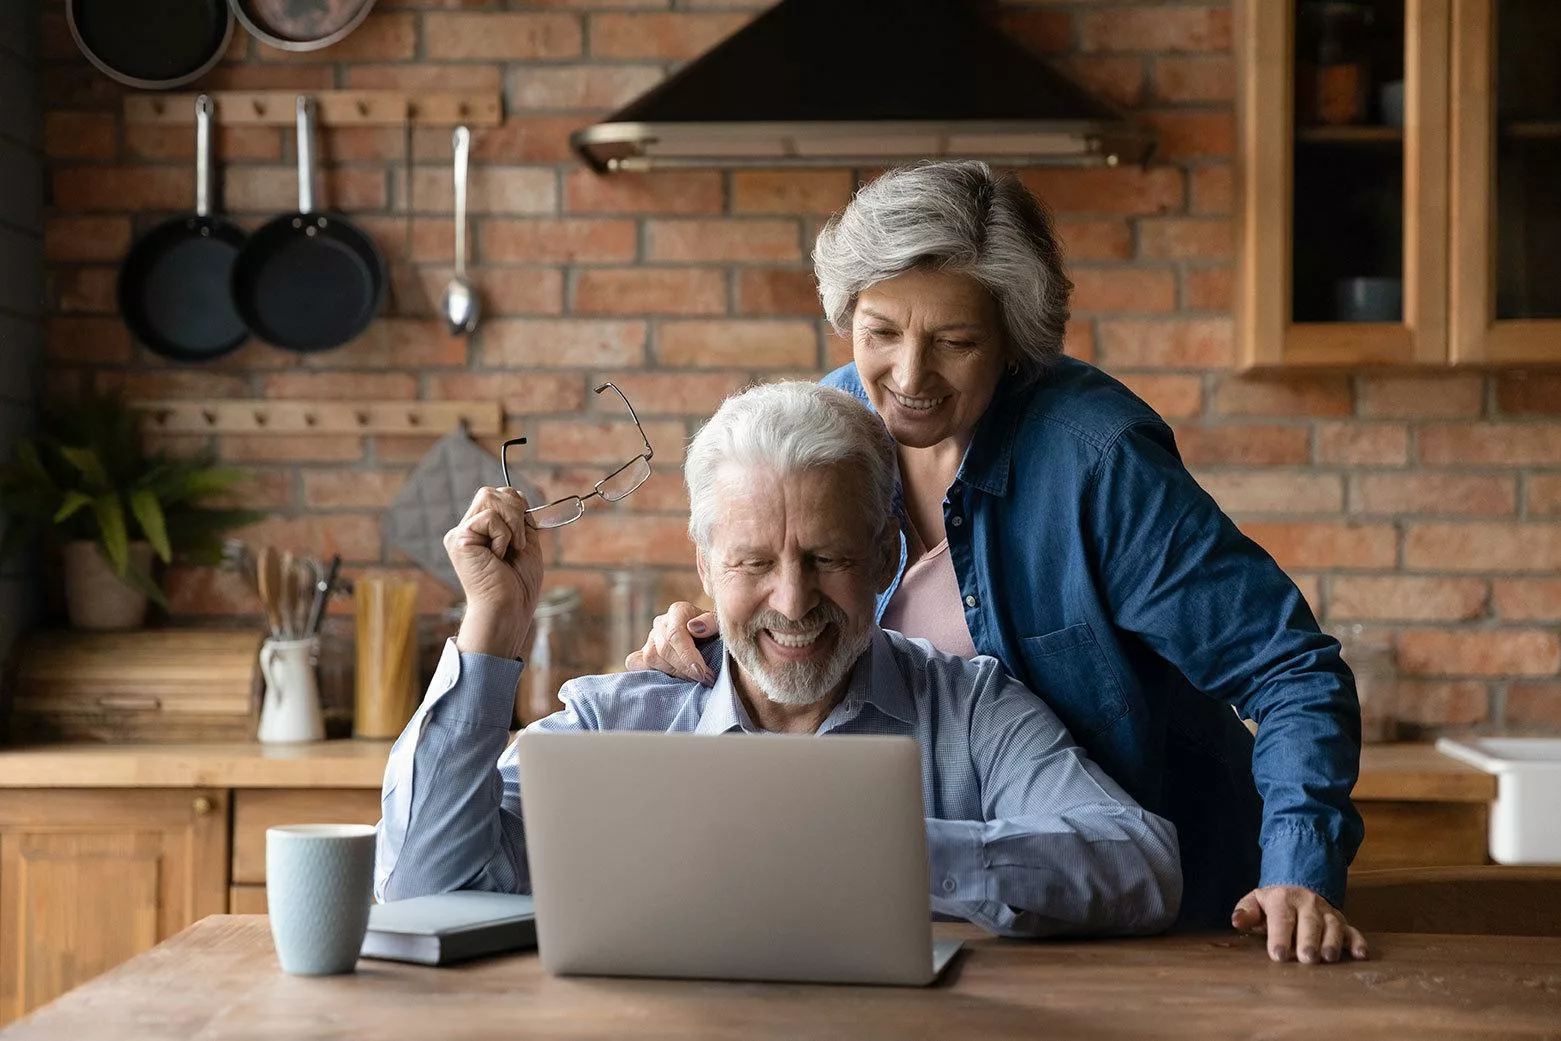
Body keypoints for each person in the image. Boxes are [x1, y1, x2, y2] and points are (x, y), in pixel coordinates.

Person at [628, 161, 1368, 964]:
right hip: (925, 912)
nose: (908, 377)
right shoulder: (830, 434)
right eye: (880, 333)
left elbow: (1289, 668)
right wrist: (707, 626)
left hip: (1157, 918)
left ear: (1014, 342)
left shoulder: (1098, 463)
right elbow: (795, 598)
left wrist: (1298, 871)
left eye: (954, 341)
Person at [375, 381, 1183, 938]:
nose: (793, 602)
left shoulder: (970, 710)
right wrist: (494, 623)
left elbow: (1141, 865)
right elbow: (418, 884)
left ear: (882, 557)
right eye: (754, 564)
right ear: (704, 569)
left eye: (826, 558)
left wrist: (870, 847)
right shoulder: (617, 718)